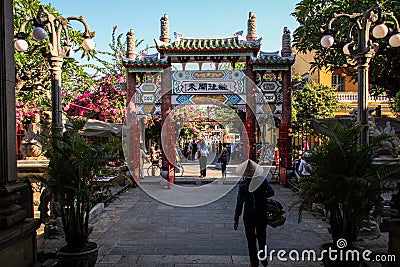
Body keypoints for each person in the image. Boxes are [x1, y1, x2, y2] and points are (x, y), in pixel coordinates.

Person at [234, 159, 274, 267]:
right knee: (262, 237)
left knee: (251, 239)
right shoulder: (263, 181)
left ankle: (254, 262)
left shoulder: (243, 185)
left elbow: (239, 202)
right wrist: (262, 197)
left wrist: (236, 218)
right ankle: (264, 259)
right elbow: (271, 192)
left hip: (249, 214)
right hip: (261, 213)